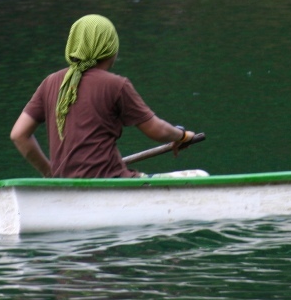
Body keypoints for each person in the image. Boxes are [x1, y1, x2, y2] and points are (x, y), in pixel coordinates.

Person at [10, 13, 201, 178]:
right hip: (111, 178)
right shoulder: (116, 85)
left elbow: (19, 135)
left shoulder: (50, 82)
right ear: (110, 49)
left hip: (65, 183)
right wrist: (182, 135)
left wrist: (50, 172)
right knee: (200, 176)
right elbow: (157, 130)